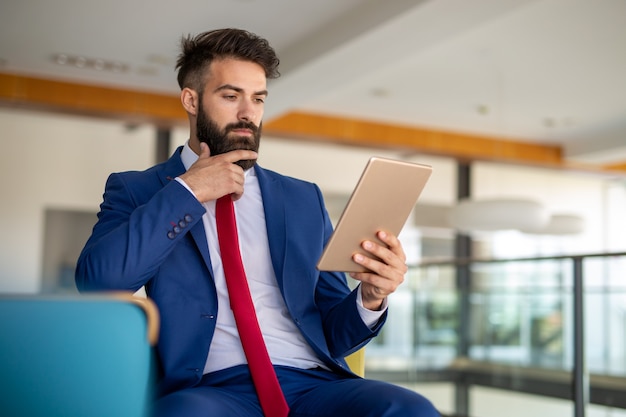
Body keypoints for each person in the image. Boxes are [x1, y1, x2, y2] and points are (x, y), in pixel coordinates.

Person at [75, 28, 439, 417]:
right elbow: (98, 281)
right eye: (231, 96)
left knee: (407, 407)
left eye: (258, 98)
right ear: (191, 100)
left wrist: (369, 299)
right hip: (211, 388)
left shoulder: (302, 198)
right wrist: (188, 191)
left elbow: (335, 333)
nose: (248, 112)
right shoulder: (139, 189)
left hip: (315, 384)